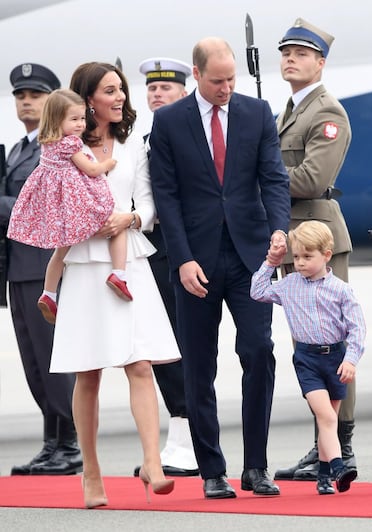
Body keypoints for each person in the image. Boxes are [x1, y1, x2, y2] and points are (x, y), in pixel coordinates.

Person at [150, 37, 290, 499]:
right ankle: (212, 469)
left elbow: (272, 177)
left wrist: (278, 230)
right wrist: (183, 257)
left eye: (231, 79)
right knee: (198, 365)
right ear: (196, 74)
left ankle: (257, 466)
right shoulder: (169, 121)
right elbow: (166, 196)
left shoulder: (256, 112)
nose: (226, 87)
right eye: (217, 81)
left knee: (258, 353)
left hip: (252, 257)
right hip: (195, 261)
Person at [49, 61, 181, 508]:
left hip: (129, 260)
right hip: (85, 264)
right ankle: (90, 472)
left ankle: (153, 463)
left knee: (140, 365)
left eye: (121, 89)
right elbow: (51, 202)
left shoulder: (130, 145)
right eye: (111, 90)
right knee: (87, 375)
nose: (121, 96)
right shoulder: (64, 147)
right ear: (88, 100)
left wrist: (131, 218)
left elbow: (147, 202)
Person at [274, 18, 357, 482]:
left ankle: (343, 449)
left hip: (319, 244)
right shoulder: (288, 111)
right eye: (286, 52)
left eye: (301, 53)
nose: (291, 59)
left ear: (320, 63)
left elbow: (311, 180)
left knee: (334, 348)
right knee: (308, 350)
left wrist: (262, 178)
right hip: (294, 245)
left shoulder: (327, 113)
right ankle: (324, 450)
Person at [0, 63, 82, 476]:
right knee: (33, 360)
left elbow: (45, 205)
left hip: (44, 262)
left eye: (34, 94)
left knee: (52, 356)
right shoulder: (17, 149)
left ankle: (70, 442)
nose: (26, 101)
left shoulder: (58, 147)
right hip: (18, 265)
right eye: (19, 95)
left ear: (53, 99)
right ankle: (53, 442)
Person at [251, 220, 365, 495]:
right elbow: (257, 291)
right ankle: (340, 467)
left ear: (326, 255)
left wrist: (350, 359)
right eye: (297, 256)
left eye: (307, 257)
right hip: (307, 359)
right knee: (325, 415)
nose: (300, 263)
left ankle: (323, 478)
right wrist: (271, 261)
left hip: (336, 357)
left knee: (329, 420)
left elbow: (356, 328)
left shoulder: (341, 290)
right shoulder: (289, 285)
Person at [7, 88, 132, 325]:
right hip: (76, 203)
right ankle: (119, 273)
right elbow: (92, 170)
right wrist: (109, 162)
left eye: (83, 118)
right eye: (74, 119)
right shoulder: (71, 144)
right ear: (57, 120)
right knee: (115, 222)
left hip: (58, 210)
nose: (80, 125)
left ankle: (49, 293)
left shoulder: (47, 144)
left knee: (60, 253)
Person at [132, 57, 198, 477]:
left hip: (181, 250)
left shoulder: (189, 136)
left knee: (182, 342)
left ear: (184, 92)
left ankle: (189, 438)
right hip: (150, 250)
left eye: (166, 88)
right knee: (160, 345)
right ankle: (180, 434)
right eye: (153, 89)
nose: (157, 94)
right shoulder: (141, 139)